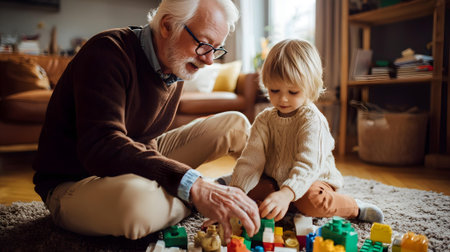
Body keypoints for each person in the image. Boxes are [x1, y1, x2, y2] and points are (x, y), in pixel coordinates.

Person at [32, 0, 260, 241]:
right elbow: (100, 146)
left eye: (217, 48)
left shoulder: (176, 63)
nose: (209, 60)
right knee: (136, 207)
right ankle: (215, 191)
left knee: (235, 124)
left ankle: (262, 188)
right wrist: (193, 185)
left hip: (132, 159)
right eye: (204, 44)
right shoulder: (106, 52)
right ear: (167, 25)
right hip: (76, 182)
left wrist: (178, 178)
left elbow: (147, 138)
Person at [224, 39, 384, 223]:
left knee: (312, 201)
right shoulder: (264, 119)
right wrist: (234, 197)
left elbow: (308, 166)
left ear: (310, 87)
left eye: (293, 92)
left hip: (312, 181)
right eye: (275, 90)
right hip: (276, 181)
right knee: (252, 194)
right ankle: (233, 185)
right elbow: (251, 160)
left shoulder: (311, 119)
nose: (283, 99)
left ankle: (354, 206)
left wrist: (286, 194)